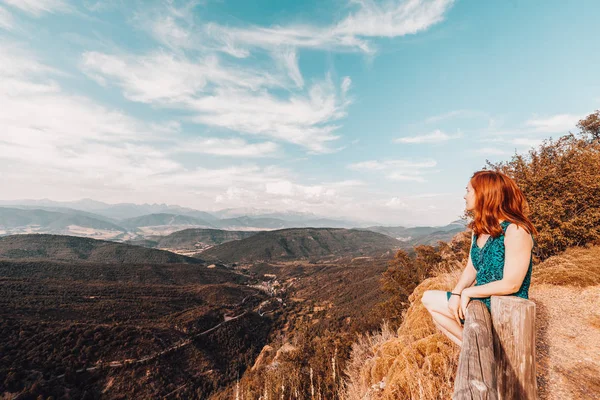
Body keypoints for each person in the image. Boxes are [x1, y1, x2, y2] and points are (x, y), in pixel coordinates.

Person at [421, 170, 537, 346]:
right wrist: (456, 292)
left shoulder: (516, 230)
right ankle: (474, 347)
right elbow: (472, 267)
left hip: (505, 305)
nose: (464, 196)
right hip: (481, 299)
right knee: (433, 305)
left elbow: (512, 283)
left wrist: (468, 292)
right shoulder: (479, 229)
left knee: (430, 299)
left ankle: (476, 348)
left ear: (485, 194)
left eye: (468, 190)